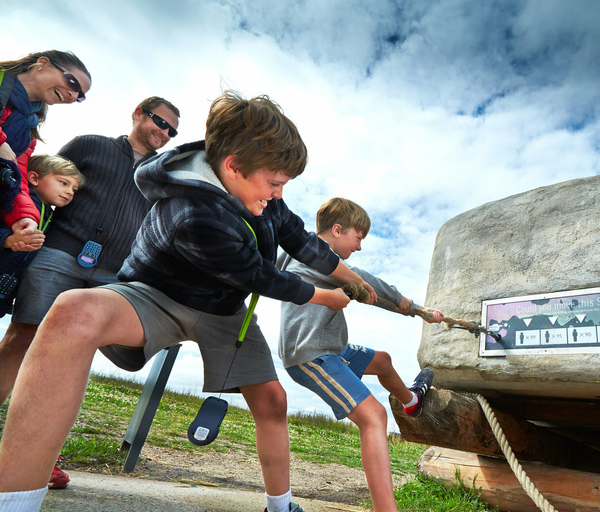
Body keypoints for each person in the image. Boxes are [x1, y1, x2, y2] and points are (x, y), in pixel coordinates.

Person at [0, 91, 377, 512]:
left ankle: (281, 505)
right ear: (233, 166)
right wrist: (327, 297)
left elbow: (299, 239)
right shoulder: (190, 211)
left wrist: (352, 278)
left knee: (273, 400)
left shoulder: (263, 193)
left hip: (224, 309)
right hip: (156, 295)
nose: (277, 193)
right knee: (72, 312)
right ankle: (15, 501)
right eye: (274, 183)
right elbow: (259, 275)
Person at [0, 95, 180, 488]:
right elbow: (39, 176)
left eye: (171, 130)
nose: (164, 132)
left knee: (69, 360)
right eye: (159, 121)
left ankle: (41, 456)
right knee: (21, 338)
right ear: (137, 113)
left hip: (115, 273)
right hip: (59, 253)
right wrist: (24, 222)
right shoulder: (90, 144)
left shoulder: (164, 174)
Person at [277, 197, 443, 512]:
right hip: (311, 356)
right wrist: (413, 307)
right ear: (337, 230)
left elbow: (364, 288)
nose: (360, 246)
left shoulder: (301, 254)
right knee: (374, 417)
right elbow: (367, 282)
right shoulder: (316, 257)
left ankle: (411, 402)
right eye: (359, 237)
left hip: (332, 349)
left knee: (382, 360)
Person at [0, 50, 91, 248]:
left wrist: (24, 217)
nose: (73, 95)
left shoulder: (29, 129)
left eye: (79, 96)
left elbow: (17, 178)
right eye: (73, 83)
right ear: (42, 63)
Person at [0, 154, 84, 317]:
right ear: (34, 178)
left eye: (74, 189)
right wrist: (8, 240)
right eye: (63, 183)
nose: (70, 192)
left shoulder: (48, 215)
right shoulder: (15, 201)